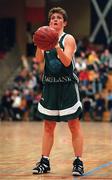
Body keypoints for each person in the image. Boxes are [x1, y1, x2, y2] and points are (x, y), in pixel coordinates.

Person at [32, 7, 84, 176]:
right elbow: (38, 61)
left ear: (64, 22)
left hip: (67, 85)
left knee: (74, 125)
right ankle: (44, 161)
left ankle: (78, 162)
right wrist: (40, 44)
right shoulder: (45, 38)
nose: (55, 20)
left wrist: (55, 46)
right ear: (49, 22)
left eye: (59, 18)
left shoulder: (68, 39)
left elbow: (67, 62)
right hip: (50, 86)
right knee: (48, 126)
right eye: (52, 18)